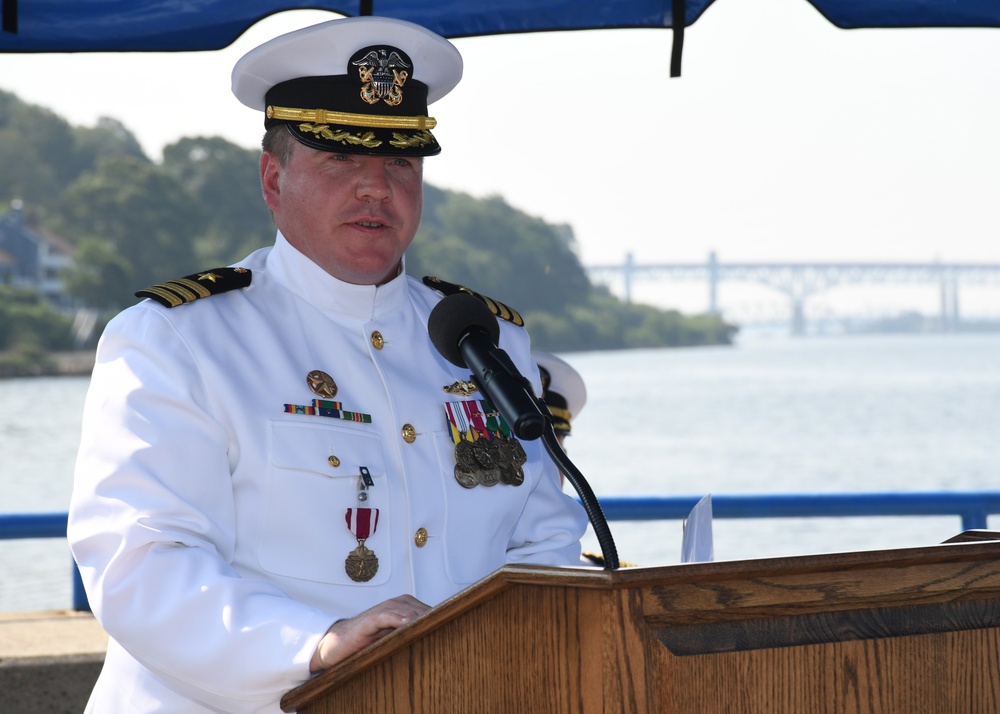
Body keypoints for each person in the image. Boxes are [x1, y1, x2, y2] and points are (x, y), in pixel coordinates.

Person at [67, 16, 588, 713]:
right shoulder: (177, 340)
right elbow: (141, 562)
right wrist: (313, 644)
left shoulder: (481, 338)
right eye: (342, 159)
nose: (377, 187)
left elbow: (544, 536)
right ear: (273, 180)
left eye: (401, 161)